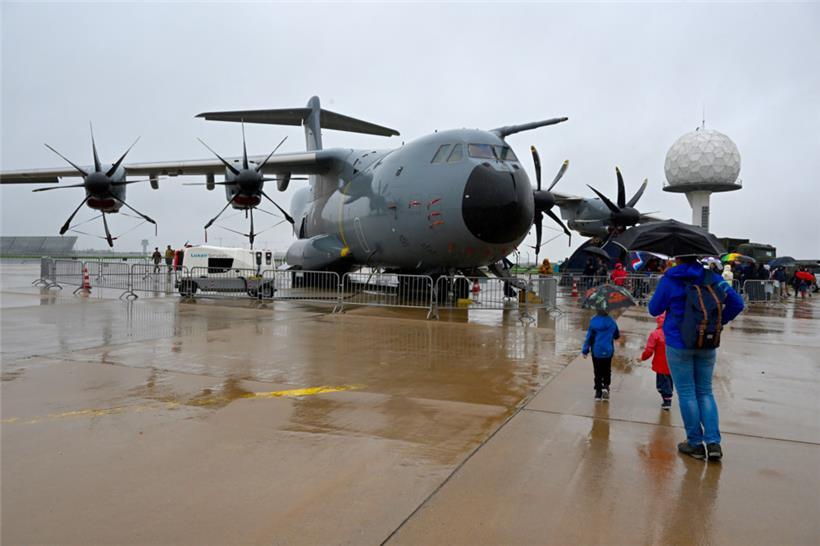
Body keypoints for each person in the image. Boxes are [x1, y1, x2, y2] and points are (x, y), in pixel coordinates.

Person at [649, 255, 744, 461]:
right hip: (707, 340)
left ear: (677, 257)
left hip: (677, 342)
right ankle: (713, 442)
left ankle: (695, 443)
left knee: (686, 393)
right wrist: (718, 323)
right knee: (705, 392)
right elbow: (738, 303)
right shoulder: (713, 277)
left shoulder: (669, 279)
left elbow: (653, 309)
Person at [581, 309, 621, 401]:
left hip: (596, 351)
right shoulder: (612, 321)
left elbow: (589, 338)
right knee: (607, 370)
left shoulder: (593, 321)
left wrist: (585, 350)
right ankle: (606, 386)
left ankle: (598, 392)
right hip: (608, 351)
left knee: (597, 371)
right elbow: (616, 335)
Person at [641, 313, 673, 410]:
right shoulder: (674, 332)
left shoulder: (655, 334)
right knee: (668, 380)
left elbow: (649, 350)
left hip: (660, 364)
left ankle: (667, 399)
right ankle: (667, 395)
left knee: (662, 383)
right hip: (673, 363)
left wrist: (643, 358)